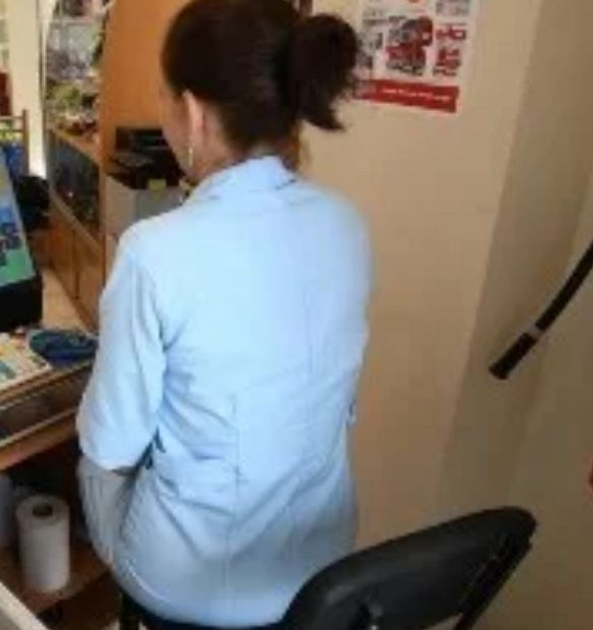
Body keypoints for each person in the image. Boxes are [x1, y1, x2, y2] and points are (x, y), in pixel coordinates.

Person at [76, 0, 368, 627]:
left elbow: (111, 444)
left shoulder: (154, 251)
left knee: (94, 463)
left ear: (192, 112)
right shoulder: (346, 225)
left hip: (192, 585)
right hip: (322, 571)